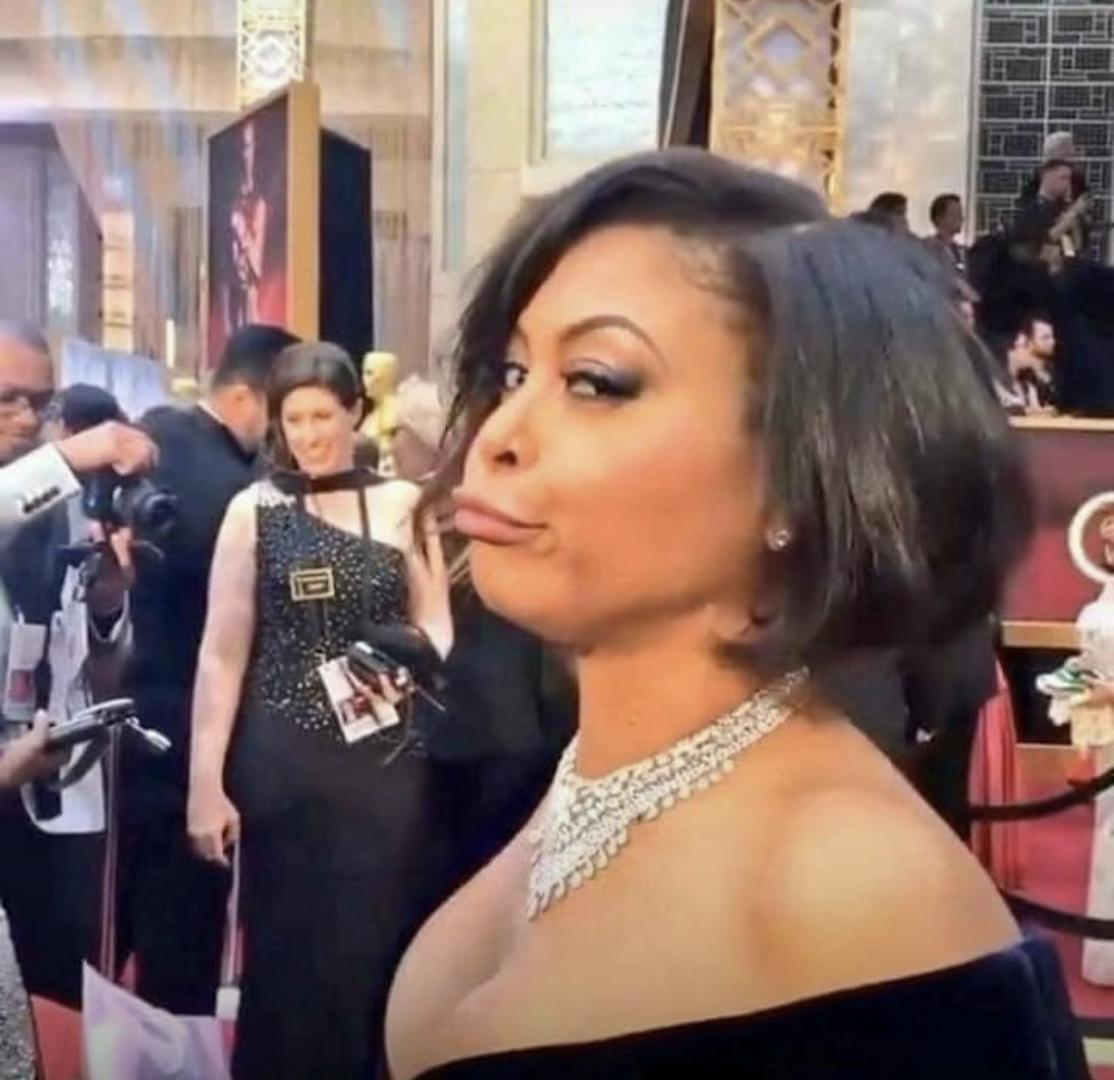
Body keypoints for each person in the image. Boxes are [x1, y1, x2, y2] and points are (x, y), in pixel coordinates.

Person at [384, 150, 1085, 1080]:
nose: (499, 436)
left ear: (795, 474)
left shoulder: (852, 887)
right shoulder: (581, 787)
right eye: (514, 373)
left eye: (596, 382)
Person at [187, 342, 453, 1080]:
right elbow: (220, 654)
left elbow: (437, 621)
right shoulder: (253, 511)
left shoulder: (404, 504)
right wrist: (204, 784)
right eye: (293, 419)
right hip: (281, 764)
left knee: (378, 943)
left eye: (321, 417)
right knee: (285, 955)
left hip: (387, 764)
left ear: (355, 413)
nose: (307, 435)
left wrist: (404, 662)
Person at [113, 324, 297, 1015]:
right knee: (180, 937)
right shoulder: (239, 493)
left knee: (122, 932)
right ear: (249, 396)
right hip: (193, 734)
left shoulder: (151, 436)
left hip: (135, 716)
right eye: (286, 413)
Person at [0, 322, 153, 1010]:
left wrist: (108, 604)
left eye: (40, 401)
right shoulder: (44, 483)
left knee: (52, 1013)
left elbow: (100, 666)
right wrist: (71, 457)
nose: (26, 418)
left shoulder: (62, 510)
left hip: (54, 802)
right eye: (7, 399)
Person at [226, 119, 268, 334]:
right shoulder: (231, 202)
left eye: (249, 147)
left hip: (251, 308)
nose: (245, 155)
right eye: (241, 148)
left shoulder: (259, 205)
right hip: (235, 307)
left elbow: (258, 267)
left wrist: (242, 230)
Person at [997, 315, 1057, 415]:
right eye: (1045, 337)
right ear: (1020, 342)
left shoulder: (1031, 382)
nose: (1053, 342)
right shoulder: (995, 377)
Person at [924, 193, 966, 277]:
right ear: (939, 218)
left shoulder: (961, 250)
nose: (961, 218)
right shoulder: (928, 248)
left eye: (960, 214)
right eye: (955, 214)